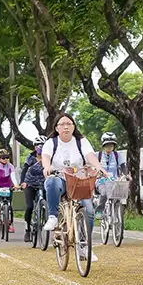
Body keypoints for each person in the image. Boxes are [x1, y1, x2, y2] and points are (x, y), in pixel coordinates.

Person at [41, 113, 109, 263]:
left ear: (74, 127)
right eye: (62, 124)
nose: (66, 127)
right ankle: (52, 217)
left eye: (69, 124)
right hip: (60, 179)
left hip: (79, 181)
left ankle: (84, 245)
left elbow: (90, 155)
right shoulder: (51, 142)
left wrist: (99, 167)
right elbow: (45, 157)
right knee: (52, 182)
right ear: (57, 128)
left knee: (89, 210)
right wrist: (47, 167)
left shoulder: (81, 141)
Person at [20, 136, 47, 242]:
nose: (41, 148)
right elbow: (24, 170)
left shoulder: (49, 157)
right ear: (35, 147)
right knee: (30, 206)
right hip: (30, 184)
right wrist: (23, 182)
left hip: (44, 184)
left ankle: (46, 219)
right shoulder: (30, 157)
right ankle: (27, 229)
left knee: (49, 203)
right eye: (39, 146)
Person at [94, 131, 128, 215]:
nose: (109, 147)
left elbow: (123, 166)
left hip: (114, 181)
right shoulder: (97, 155)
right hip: (101, 181)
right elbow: (92, 168)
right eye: (107, 145)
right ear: (103, 145)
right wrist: (96, 173)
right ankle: (100, 210)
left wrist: (127, 175)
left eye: (111, 145)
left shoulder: (117, 155)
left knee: (122, 194)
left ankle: (118, 213)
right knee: (105, 192)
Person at [0, 148, 19, 233]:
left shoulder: (10, 166)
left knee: (9, 206)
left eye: (7, 157)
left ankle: (10, 224)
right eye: (3, 158)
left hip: (8, 186)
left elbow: (13, 176)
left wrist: (16, 185)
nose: (5, 159)